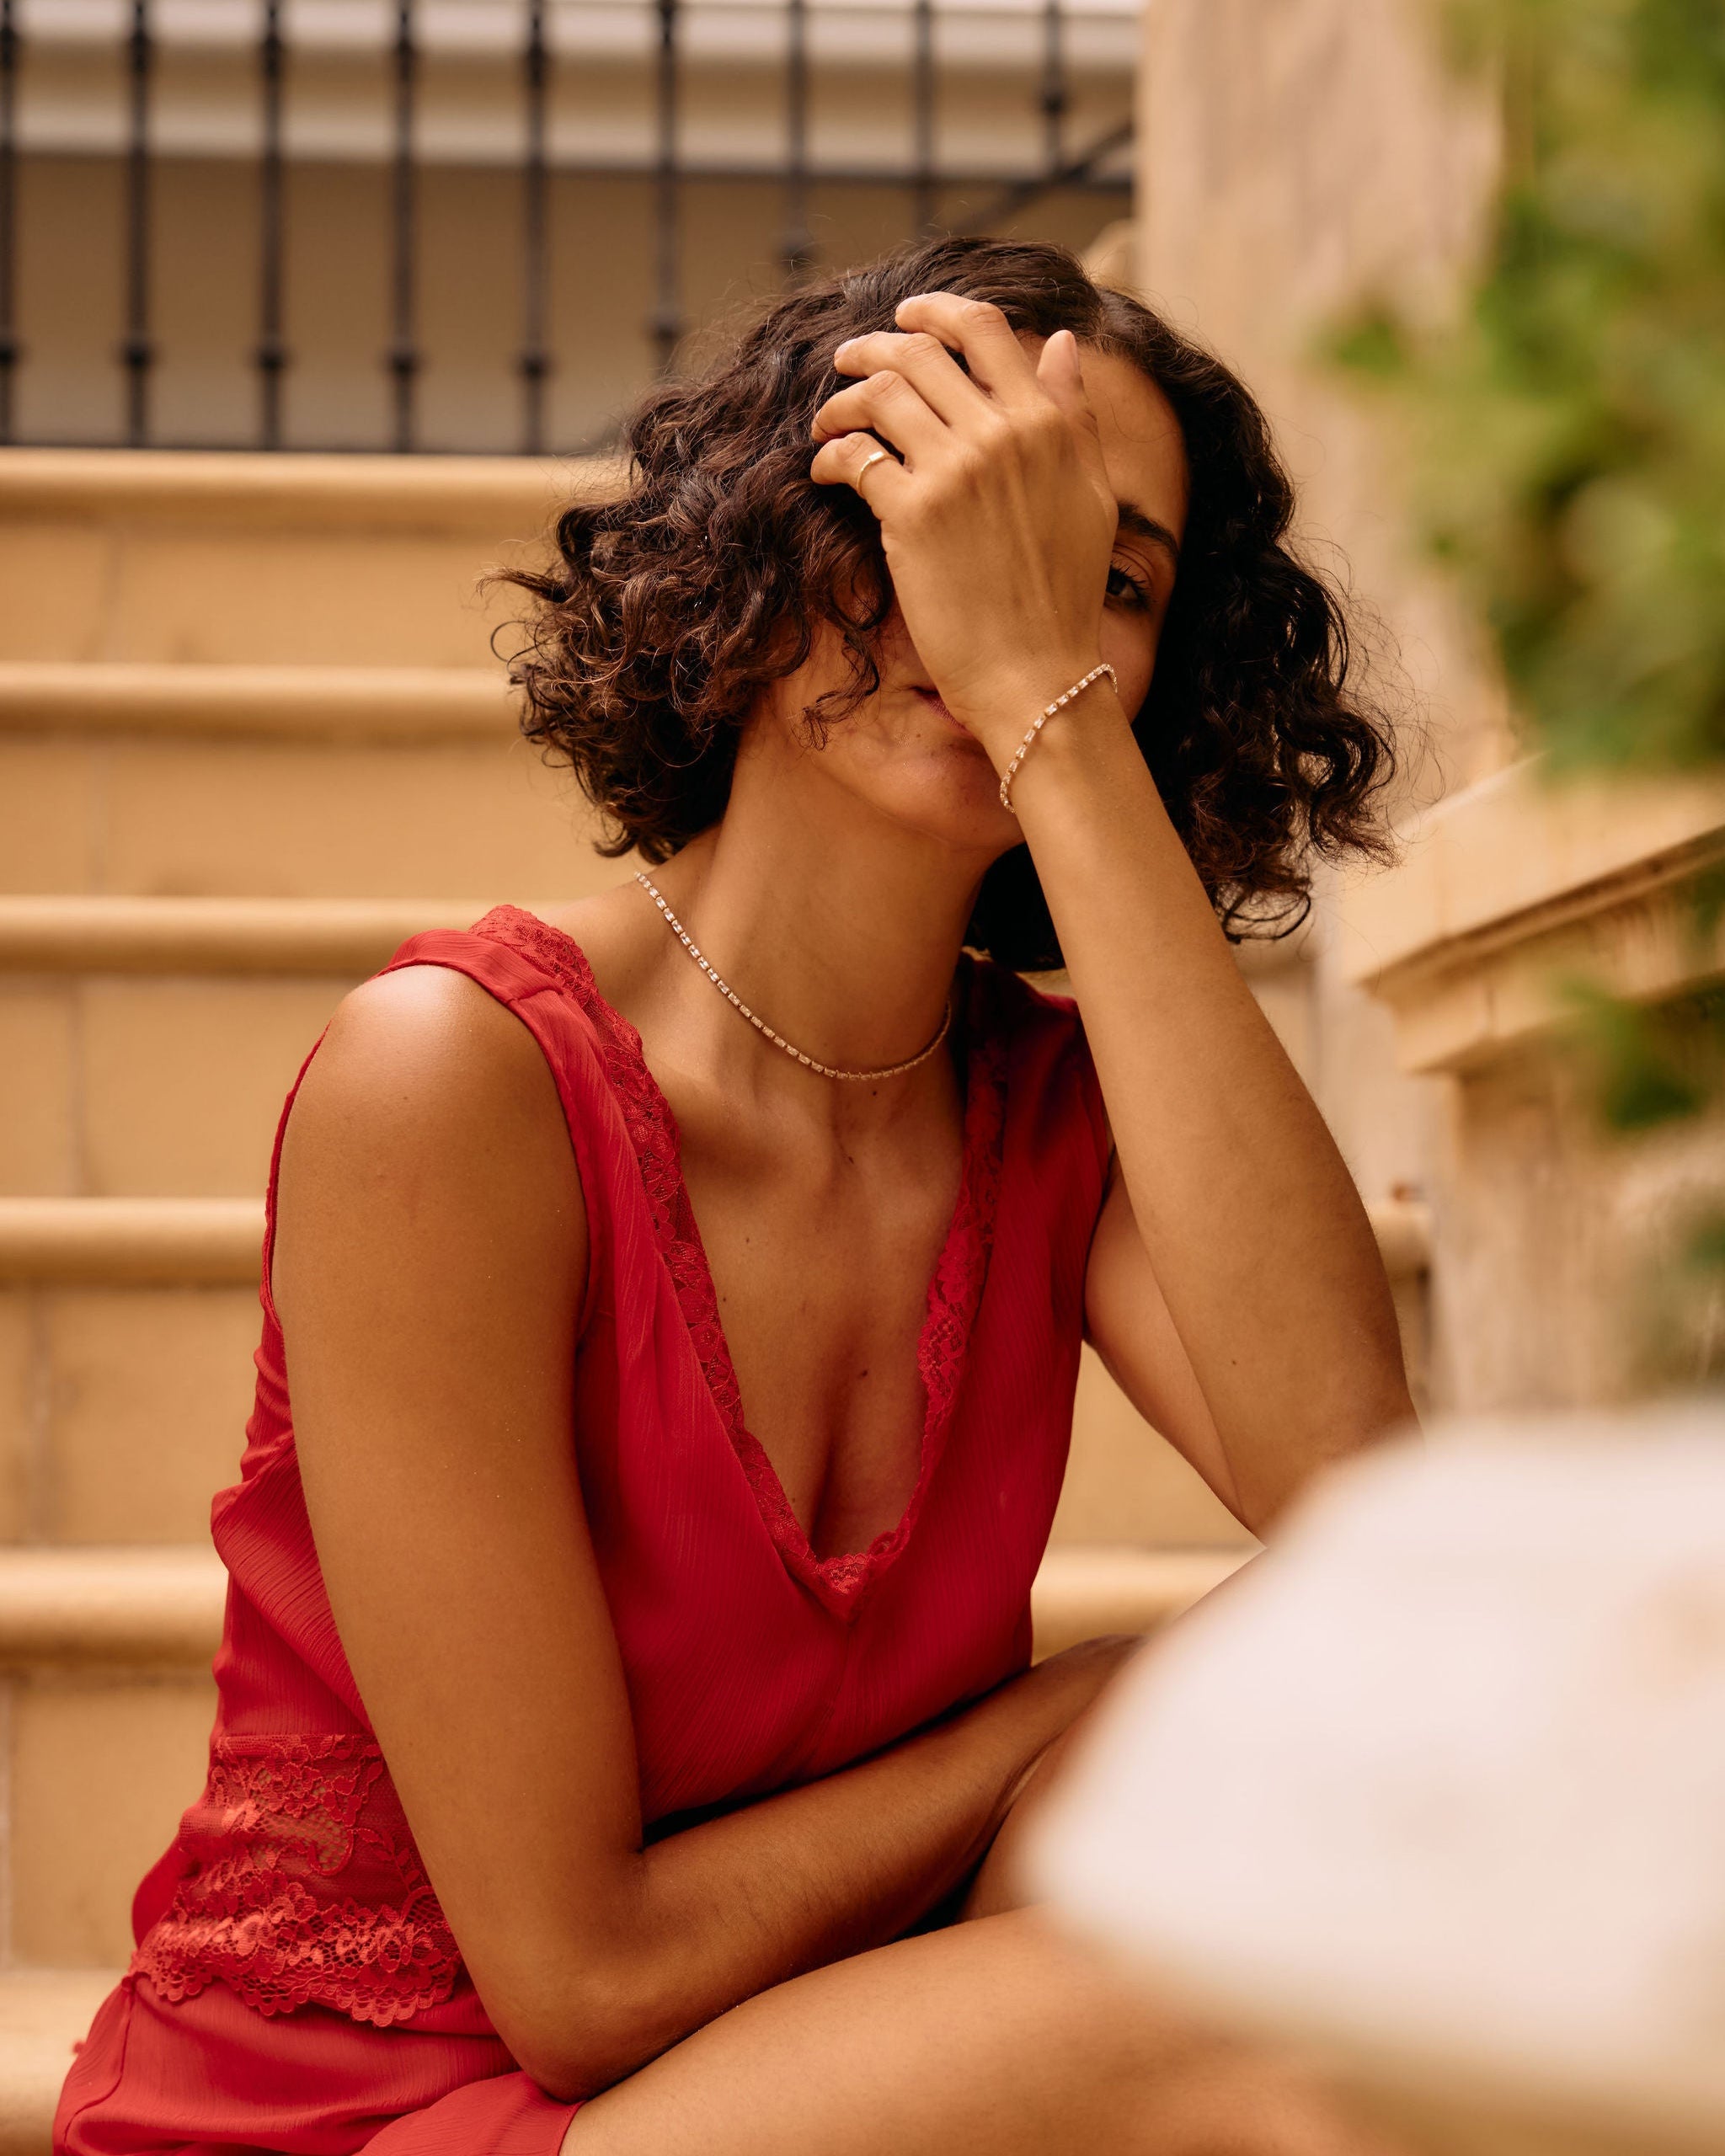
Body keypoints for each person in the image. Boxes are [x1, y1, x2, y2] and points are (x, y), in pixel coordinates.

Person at [56, 236, 1416, 2156]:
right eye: (955, 524)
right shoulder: (458, 1080)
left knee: (1337, 1804)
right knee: (1238, 2002)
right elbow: (580, 1979)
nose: (999, 613)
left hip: (781, 2055)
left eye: (1103, 579)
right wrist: (1060, 1705)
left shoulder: (1052, 1112)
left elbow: (1358, 1510)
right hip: (390, 2106)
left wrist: (1050, 714)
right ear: (787, 545)